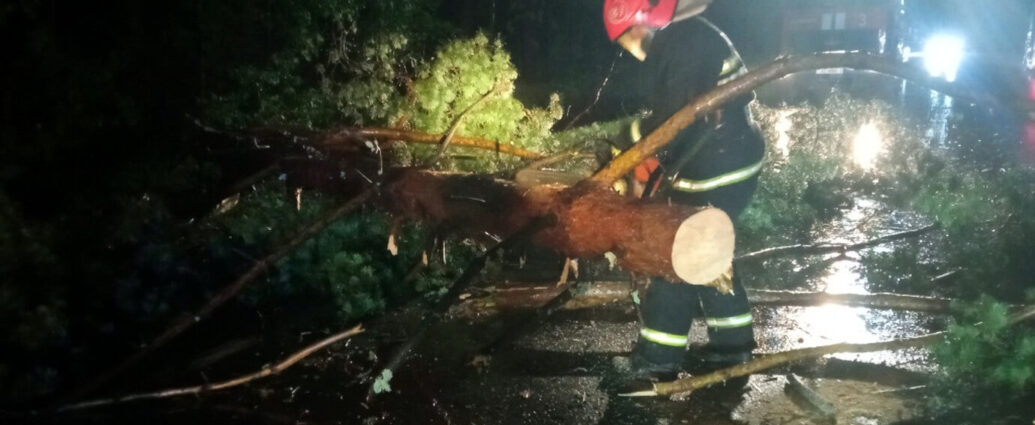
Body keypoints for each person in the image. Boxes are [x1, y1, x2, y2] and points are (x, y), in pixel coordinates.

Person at [602, 0, 765, 384]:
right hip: (723, 157)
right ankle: (732, 349)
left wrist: (628, 141)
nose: (631, 47)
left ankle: (657, 361)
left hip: (719, 164)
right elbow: (676, 114)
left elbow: (673, 122)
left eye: (628, 38)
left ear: (639, 24)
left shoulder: (684, 42)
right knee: (711, 252)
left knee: (676, 256)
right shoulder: (684, 38)